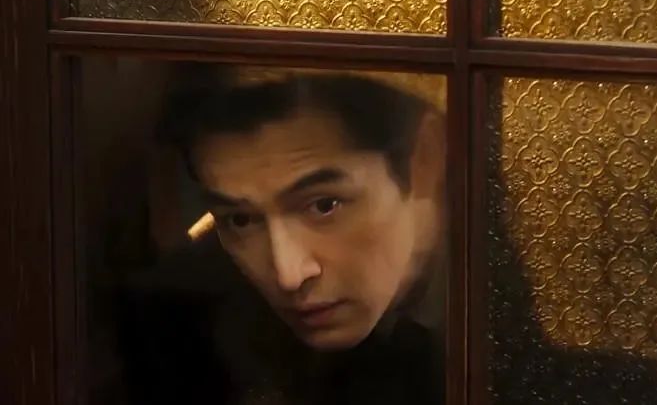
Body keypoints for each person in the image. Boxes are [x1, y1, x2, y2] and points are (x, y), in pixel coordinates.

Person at [117, 65, 447, 405]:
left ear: (425, 159)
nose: (288, 275)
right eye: (241, 220)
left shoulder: (482, 310)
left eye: (324, 205)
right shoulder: (180, 320)